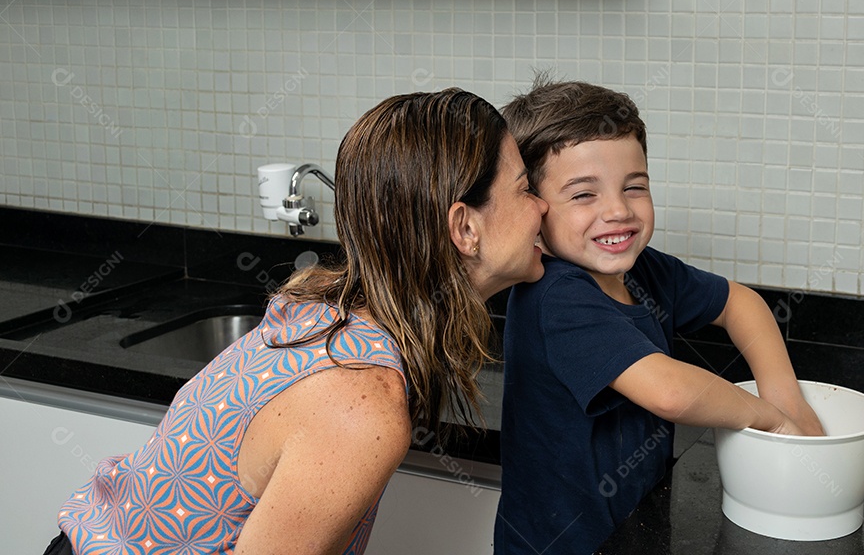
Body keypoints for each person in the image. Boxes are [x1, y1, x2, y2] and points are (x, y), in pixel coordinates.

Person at [45, 88, 548, 555]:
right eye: (526, 189)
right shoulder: (359, 401)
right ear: (465, 226)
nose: (544, 206)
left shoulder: (329, 308)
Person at [494, 78, 824, 555]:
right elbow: (670, 392)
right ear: (535, 209)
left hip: (629, 533)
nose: (617, 210)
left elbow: (742, 303)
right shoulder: (554, 295)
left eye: (635, 186)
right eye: (584, 194)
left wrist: (787, 398)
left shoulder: (645, 271)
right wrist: (770, 420)